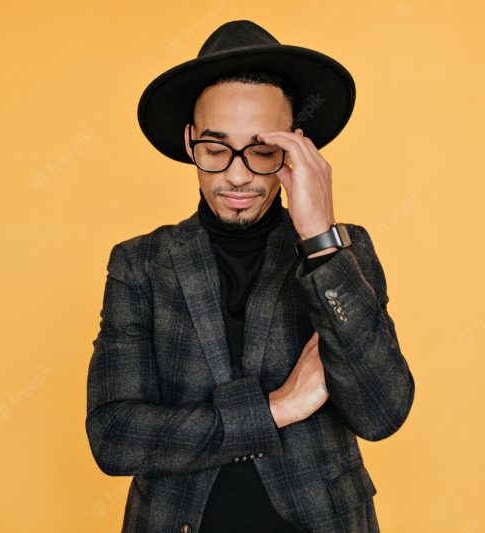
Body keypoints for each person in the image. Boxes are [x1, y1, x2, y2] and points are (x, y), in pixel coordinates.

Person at [85, 19, 415, 533]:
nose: (238, 175)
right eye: (216, 150)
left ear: (294, 146)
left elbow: (381, 411)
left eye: (261, 150)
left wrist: (318, 236)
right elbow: (115, 436)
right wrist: (277, 409)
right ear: (190, 141)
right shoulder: (140, 264)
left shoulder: (345, 250)